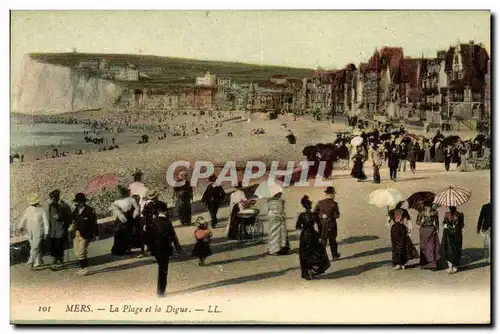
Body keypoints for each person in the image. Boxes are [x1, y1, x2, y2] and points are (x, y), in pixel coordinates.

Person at [148, 202, 183, 297]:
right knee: (163, 270)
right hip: (165, 249)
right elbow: (172, 236)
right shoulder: (167, 222)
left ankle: (160, 291)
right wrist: (178, 246)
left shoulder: (153, 222)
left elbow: (148, 237)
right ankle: (160, 291)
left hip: (155, 249)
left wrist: (149, 248)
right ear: (165, 211)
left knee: (161, 267)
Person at [296, 195, 330, 280]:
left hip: (304, 236)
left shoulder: (301, 215)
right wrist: (320, 236)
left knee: (304, 254)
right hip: (312, 235)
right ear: (310, 207)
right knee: (316, 253)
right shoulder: (314, 215)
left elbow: (298, 226)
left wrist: (303, 228)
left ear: (304, 206)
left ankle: (307, 272)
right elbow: (320, 226)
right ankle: (314, 270)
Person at [16, 194, 49, 269]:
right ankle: (38, 261)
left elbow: (46, 222)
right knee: (34, 247)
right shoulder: (28, 209)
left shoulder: (42, 210)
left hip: (39, 231)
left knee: (35, 247)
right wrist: (20, 226)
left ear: (37, 202)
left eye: (34, 203)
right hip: (29, 231)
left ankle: (30, 261)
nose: (33, 205)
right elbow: (23, 218)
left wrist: (46, 232)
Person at [69, 193, 98, 276]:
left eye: (77, 202)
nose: (76, 203)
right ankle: (82, 269)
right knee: (77, 253)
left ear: (82, 202)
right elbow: (73, 219)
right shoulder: (75, 210)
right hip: (77, 233)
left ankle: (85, 269)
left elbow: (94, 223)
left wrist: (96, 234)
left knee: (82, 253)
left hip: (86, 234)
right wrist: (71, 226)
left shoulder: (89, 211)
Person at [387, 202, 418, 270]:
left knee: (395, 245)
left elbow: (387, 222)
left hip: (394, 229)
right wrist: (410, 229)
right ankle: (403, 263)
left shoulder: (391, 211)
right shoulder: (404, 211)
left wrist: (388, 218)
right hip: (402, 229)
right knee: (403, 245)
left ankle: (398, 263)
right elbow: (409, 221)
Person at [110, 186, 140, 256]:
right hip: (122, 218)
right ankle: (120, 250)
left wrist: (134, 214)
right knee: (120, 234)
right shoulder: (117, 202)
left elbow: (137, 208)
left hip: (127, 217)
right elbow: (115, 211)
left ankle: (126, 249)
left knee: (127, 234)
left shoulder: (130, 199)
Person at [314, 186, 341, 261]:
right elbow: (337, 215)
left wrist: (321, 215)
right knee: (333, 241)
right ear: (332, 195)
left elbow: (315, 213)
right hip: (332, 225)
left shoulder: (320, 203)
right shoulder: (334, 204)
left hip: (322, 225)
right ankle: (334, 256)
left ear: (326, 194)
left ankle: (322, 257)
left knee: (323, 241)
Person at [47, 189, 72, 267]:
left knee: (57, 246)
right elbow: (57, 217)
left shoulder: (55, 206)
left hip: (55, 230)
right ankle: (59, 261)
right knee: (59, 246)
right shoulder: (58, 205)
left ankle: (57, 262)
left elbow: (56, 217)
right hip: (59, 230)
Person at [140, 190, 166, 256]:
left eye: (154, 198)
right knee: (147, 236)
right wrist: (145, 224)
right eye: (152, 199)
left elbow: (166, 213)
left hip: (159, 222)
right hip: (150, 222)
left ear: (157, 197)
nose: (153, 200)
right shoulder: (148, 204)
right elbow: (145, 214)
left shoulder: (161, 204)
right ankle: (146, 250)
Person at [416, 204, 441, 269]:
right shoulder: (423, 212)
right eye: (427, 205)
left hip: (429, 230)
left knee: (430, 247)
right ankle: (428, 264)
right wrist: (422, 223)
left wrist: (437, 229)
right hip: (426, 230)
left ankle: (430, 264)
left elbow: (437, 222)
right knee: (428, 247)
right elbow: (417, 221)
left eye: (429, 205)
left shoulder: (433, 212)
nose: (428, 207)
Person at [441, 206, 465, 274]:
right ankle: (454, 266)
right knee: (455, 249)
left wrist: (446, 225)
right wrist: (455, 226)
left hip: (450, 233)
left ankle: (451, 267)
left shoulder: (447, 214)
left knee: (450, 249)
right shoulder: (460, 214)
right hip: (456, 234)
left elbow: (443, 223)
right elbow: (462, 225)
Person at [267, 191, 290, 255]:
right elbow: (281, 210)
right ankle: (282, 248)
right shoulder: (281, 201)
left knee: (274, 233)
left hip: (272, 217)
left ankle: (274, 249)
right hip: (279, 217)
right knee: (282, 233)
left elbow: (269, 210)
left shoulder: (269, 200)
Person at [477, 200, 491, 264]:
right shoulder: (485, 206)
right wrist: (478, 227)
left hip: (488, 227)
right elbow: (481, 217)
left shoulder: (485, 206)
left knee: (489, 243)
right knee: (489, 243)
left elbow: (481, 217)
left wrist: (478, 228)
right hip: (488, 228)